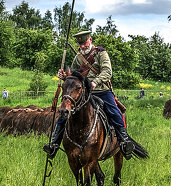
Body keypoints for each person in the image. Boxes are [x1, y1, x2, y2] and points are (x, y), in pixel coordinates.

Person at [44, 30, 147, 159]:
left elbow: (107, 71)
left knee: (115, 112)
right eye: (80, 44)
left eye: (85, 43)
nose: (83, 46)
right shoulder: (78, 58)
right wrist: (65, 76)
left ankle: (125, 142)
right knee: (64, 114)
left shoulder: (101, 53)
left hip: (102, 90)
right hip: (84, 93)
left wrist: (95, 82)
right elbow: (74, 77)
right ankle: (54, 145)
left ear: (90, 40)